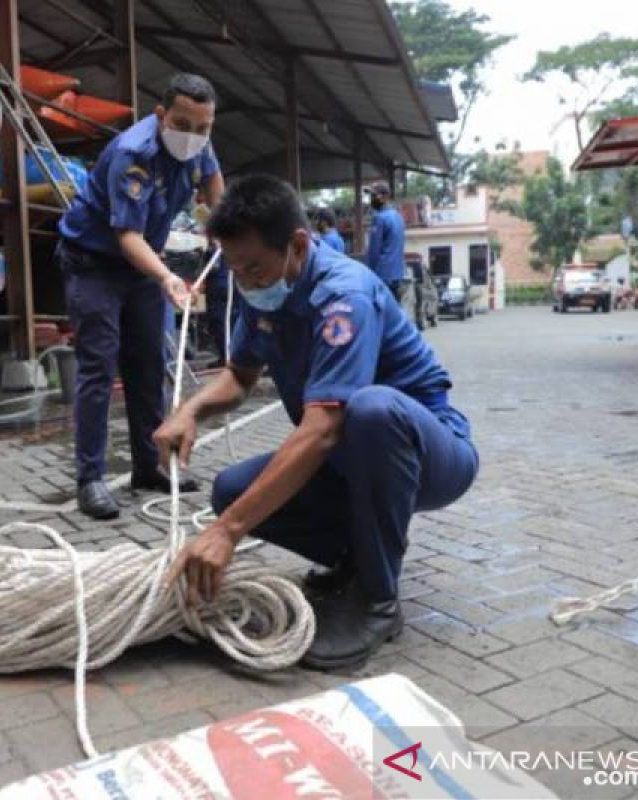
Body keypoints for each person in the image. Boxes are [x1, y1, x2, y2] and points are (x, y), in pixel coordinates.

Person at [155, 175, 478, 670]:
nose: (247, 284)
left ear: (298, 245)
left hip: (431, 452)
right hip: (355, 456)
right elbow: (240, 376)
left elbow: (324, 427)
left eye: (256, 269)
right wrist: (189, 409)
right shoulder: (263, 289)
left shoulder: (343, 295)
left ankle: (377, 599)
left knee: (370, 409)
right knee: (231, 489)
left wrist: (227, 532)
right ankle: (357, 557)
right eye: (236, 271)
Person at [57, 73, 226, 519]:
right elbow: (126, 234)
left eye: (202, 127)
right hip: (96, 262)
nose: (192, 136)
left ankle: (149, 465)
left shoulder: (201, 141)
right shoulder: (135, 154)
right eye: (182, 124)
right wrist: (168, 277)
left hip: (145, 263)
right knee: (99, 364)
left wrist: (222, 227)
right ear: (160, 115)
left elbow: (212, 182)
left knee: (150, 364)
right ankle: (90, 478)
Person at [363, 182, 406, 300]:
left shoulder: (379, 218)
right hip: (397, 275)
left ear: (384, 197)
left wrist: (369, 274)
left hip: (382, 276)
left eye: (373, 195)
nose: (371, 199)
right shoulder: (398, 217)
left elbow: (374, 252)